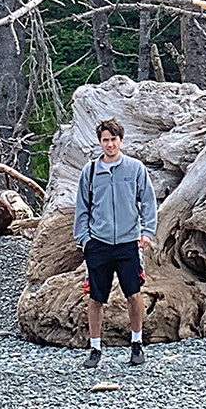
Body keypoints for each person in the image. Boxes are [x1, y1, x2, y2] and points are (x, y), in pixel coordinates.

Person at [74, 117, 156, 368]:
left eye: (113, 140)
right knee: (96, 297)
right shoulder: (89, 171)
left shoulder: (135, 169)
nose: (109, 145)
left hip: (128, 242)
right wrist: (85, 240)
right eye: (105, 140)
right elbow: (82, 208)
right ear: (99, 142)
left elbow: (148, 201)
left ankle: (136, 343)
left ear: (121, 140)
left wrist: (147, 232)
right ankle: (95, 348)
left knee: (133, 293)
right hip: (98, 243)